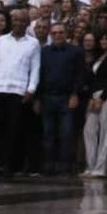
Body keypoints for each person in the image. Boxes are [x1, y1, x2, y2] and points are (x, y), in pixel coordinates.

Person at [0, 9, 41, 176]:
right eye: (16, 21)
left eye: (22, 21)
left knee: (13, 130)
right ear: (11, 22)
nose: (19, 24)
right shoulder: (0, 41)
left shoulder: (33, 43)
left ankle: (9, 164)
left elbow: (35, 68)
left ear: (27, 24)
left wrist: (31, 89)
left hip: (18, 90)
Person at [37, 22, 84, 175]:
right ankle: (48, 165)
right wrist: (37, 98)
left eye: (60, 32)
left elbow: (79, 75)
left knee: (67, 133)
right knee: (48, 134)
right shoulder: (44, 52)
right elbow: (40, 75)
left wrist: (75, 94)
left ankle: (65, 166)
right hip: (47, 97)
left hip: (66, 97)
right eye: (55, 33)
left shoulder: (76, 51)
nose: (57, 35)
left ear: (66, 34)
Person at [82, 31, 107, 178]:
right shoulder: (98, 57)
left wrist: (102, 98)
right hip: (94, 94)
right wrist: (92, 97)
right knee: (89, 130)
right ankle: (90, 165)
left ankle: (101, 167)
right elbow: (93, 79)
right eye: (102, 39)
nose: (104, 41)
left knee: (106, 131)